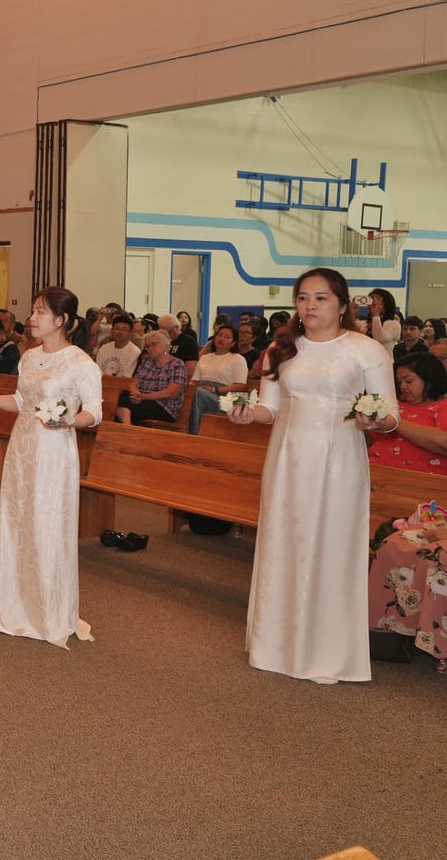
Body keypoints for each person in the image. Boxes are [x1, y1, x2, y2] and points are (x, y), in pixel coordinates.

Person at [228, 267, 397, 683]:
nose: (310, 306)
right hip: (287, 458)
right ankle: (275, 644)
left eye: (321, 298)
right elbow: (272, 409)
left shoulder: (365, 350)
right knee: (283, 541)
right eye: (303, 297)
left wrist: (374, 421)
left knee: (332, 545)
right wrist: (249, 415)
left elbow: (391, 415)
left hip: (340, 458)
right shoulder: (280, 349)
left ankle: (327, 650)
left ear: (342, 304)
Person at [0, 286, 101, 648]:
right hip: (22, 447)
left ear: (62, 320)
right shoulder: (28, 356)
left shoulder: (82, 363)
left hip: (55, 451)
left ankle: (48, 612)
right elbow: (21, 400)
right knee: (18, 521)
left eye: (40, 312)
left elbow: (94, 413)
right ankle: (15, 605)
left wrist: (69, 421)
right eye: (33, 310)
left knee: (48, 524)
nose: (32, 318)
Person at [367, 352, 447, 472]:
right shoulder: (395, 405)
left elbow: (443, 443)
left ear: (430, 379)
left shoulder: (443, 406)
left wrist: (394, 423)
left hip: (418, 479)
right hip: (373, 469)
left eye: (408, 381)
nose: (403, 387)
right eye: (399, 382)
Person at [114, 331, 186, 424]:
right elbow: (134, 382)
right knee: (120, 397)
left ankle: (127, 428)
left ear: (165, 345)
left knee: (127, 409)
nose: (150, 348)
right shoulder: (146, 361)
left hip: (164, 406)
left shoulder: (177, 364)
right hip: (141, 400)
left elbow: (171, 392)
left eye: (153, 345)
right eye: (147, 346)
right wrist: (135, 392)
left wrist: (144, 396)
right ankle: (127, 427)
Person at [188, 324, 250, 433]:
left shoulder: (238, 359)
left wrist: (215, 390)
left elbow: (240, 385)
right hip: (202, 391)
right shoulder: (205, 358)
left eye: (227, 337)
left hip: (225, 397)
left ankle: (193, 434)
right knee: (195, 394)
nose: (222, 339)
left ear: (233, 343)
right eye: (219, 335)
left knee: (200, 394)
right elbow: (194, 381)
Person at [94, 313, 141, 378]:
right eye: (117, 328)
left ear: (130, 333)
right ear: (112, 331)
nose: (120, 332)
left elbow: (126, 377)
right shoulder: (104, 348)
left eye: (124, 329)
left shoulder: (135, 352)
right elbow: (97, 373)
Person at [358, 288, 400, 355]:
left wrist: (376, 314)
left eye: (377, 301)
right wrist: (351, 312)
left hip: (384, 362)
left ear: (386, 303)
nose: (373, 304)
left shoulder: (393, 324)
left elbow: (380, 338)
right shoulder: (363, 323)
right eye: (370, 300)